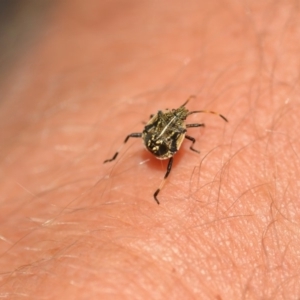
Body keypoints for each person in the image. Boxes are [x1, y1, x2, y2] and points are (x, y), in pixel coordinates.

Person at [0, 0, 299, 298]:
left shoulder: (169, 119)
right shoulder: (182, 128)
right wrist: (192, 139)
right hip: (159, 146)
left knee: (135, 137)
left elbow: (164, 124)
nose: (184, 117)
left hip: (151, 140)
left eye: (184, 118)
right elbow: (185, 136)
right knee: (166, 161)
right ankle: (157, 188)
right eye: (183, 116)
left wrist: (184, 131)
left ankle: (138, 174)